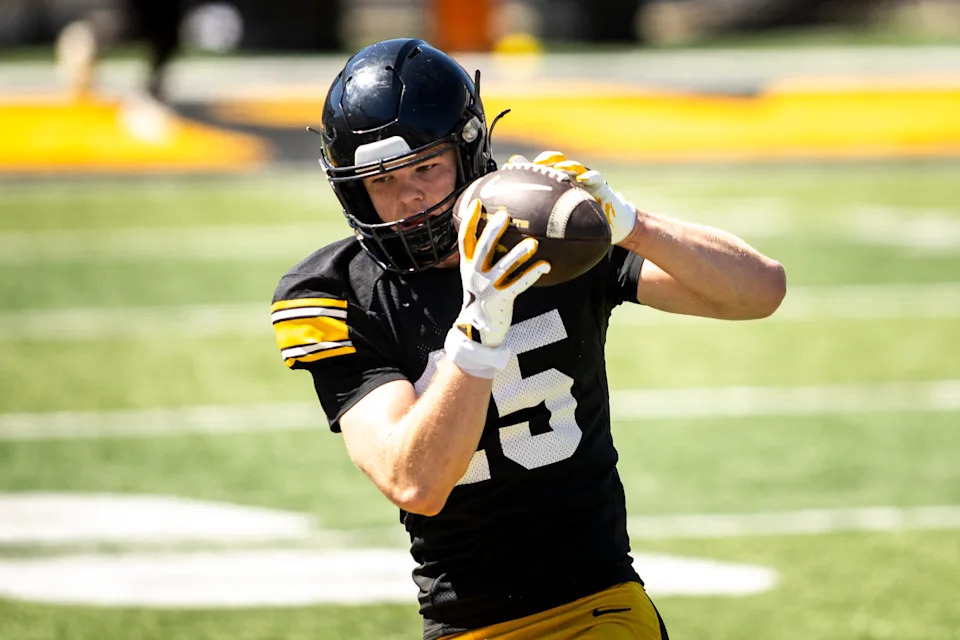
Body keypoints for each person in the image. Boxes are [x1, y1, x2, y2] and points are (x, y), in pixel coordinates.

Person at [271, 38, 786, 640]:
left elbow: (758, 292)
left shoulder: (544, 236)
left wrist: (630, 223)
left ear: (469, 154)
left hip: (598, 604)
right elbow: (415, 482)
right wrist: (479, 328)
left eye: (425, 168)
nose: (407, 197)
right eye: (381, 180)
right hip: (462, 623)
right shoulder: (333, 291)